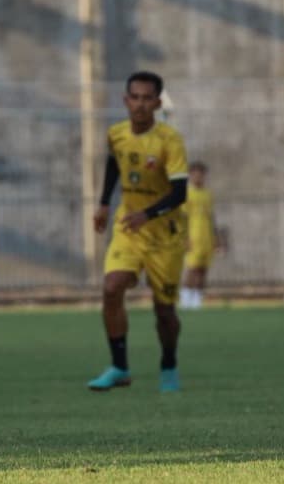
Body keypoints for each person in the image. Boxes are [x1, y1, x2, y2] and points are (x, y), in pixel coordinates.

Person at [89, 71, 188, 393]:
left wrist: (147, 214)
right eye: (136, 97)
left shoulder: (169, 141)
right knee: (112, 286)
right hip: (129, 227)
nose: (141, 104)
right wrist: (104, 203)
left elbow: (179, 192)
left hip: (164, 234)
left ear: (158, 103)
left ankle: (169, 362)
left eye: (148, 98)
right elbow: (115, 164)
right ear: (126, 100)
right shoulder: (116, 133)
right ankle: (120, 367)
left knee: (165, 312)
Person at [180, 161, 224, 310]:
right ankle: (186, 300)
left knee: (203, 270)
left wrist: (217, 238)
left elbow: (212, 217)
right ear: (190, 175)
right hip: (193, 237)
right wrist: (184, 237)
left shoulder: (207, 194)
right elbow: (183, 218)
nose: (199, 177)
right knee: (192, 269)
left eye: (201, 174)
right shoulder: (186, 194)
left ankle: (197, 301)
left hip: (207, 238)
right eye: (195, 174)